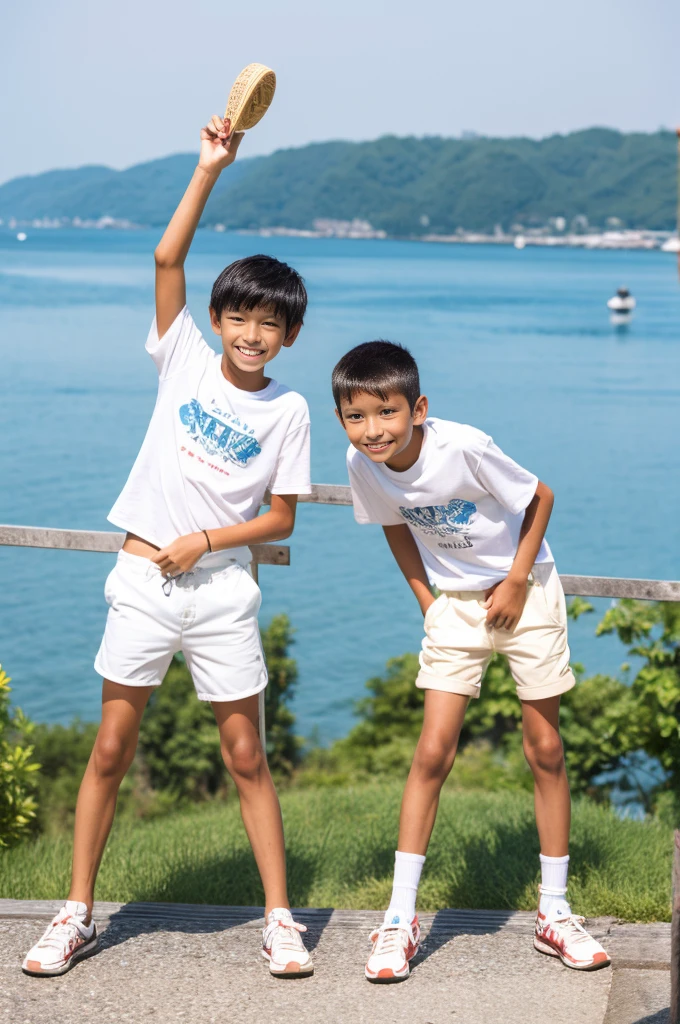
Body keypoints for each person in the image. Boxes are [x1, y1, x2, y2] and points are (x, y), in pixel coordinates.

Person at [22, 115, 313, 979]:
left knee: (246, 755)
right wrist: (207, 170)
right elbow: (164, 262)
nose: (252, 334)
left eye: (270, 325)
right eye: (240, 317)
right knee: (111, 748)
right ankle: (74, 913)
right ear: (219, 319)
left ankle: (281, 919)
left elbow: (283, 519)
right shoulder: (182, 356)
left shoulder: (288, 410)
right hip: (143, 578)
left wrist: (207, 538)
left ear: (289, 336)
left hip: (222, 587)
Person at [332, 340, 610, 982]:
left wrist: (515, 580)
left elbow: (540, 496)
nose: (373, 430)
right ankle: (400, 917)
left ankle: (555, 911)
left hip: (527, 592)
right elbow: (395, 524)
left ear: (417, 408)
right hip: (454, 609)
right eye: (356, 416)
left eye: (387, 412)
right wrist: (427, 600)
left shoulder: (464, 446)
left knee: (544, 746)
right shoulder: (361, 462)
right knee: (432, 751)